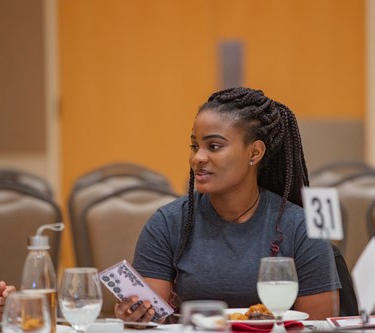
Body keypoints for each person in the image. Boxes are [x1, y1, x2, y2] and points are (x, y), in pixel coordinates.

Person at [115, 87, 341, 323]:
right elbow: (152, 321)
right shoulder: (167, 223)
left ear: (255, 152)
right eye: (195, 146)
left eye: (214, 146)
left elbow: (316, 326)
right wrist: (136, 318)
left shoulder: (301, 227)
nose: (198, 158)